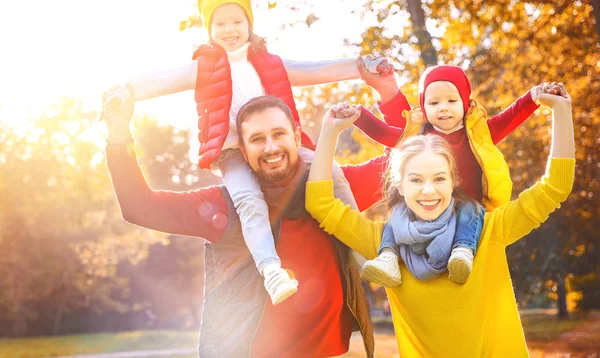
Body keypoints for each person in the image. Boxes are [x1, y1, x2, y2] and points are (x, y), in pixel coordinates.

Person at [102, 0, 394, 305]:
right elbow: (163, 79)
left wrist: (361, 67)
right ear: (209, 29)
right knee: (247, 200)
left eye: (237, 22)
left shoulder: (270, 63)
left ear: (249, 24)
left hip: (283, 146)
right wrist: (127, 90)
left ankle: (360, 253)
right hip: (232, 152)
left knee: (333, 173)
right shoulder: (204, 68)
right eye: (220, 24)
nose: (229, 30)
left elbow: (314, 70)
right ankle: (271, 270)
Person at [103, 93, 390, 357]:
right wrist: (117, 138)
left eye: (279, 134)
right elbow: (140, 207)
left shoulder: (334, 190)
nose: (271, 147)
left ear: (297, 136)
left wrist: (387, 92)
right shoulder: (224, 207)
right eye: (257, 139)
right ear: (242, 148)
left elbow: (404, 163)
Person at [305, 86, 574, 355]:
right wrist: (329, 132)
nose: (428, 190)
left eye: (439, 179)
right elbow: (321, 205)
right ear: (400, 186)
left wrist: (561, 110)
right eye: (416, 180)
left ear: (453, 181)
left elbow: (554, 188)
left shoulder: (488, 230)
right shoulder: (383, 244)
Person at [350, 63, 567, 286]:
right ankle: (388, 259)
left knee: (470, 210)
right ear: (423, 107)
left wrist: (534, 96)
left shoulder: (480, 134)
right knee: (396, 215)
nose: (443, 108)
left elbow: (511, 116)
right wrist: (358, 115)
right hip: (428, 209)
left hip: (466, 209)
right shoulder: (417, 137)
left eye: (451, 101)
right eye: (434, 103)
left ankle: (462, 252)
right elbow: (385, 134)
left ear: (465, 103)